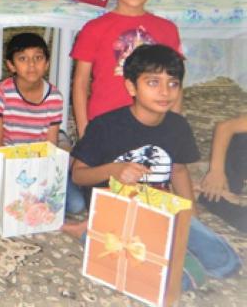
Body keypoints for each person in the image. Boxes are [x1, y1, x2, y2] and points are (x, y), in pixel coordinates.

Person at [71, 45, 241, 288]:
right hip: (118, 210)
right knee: (178, 280)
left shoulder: (177, 126)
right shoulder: (106, 126)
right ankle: (87, 233)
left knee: (226, 263)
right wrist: (114, 170)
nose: (164, 92)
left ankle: (168, 244)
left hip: (160, 207)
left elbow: (179, 170)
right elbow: (78, 175)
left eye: (172, 83)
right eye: (153, 83)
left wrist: (190, 215)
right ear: (131, 86)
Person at [71, 0, 182, 138]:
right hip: (104, 122)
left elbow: (176, 82)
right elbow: (80, 83)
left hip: (153, 123)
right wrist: (84, 131)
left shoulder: (167, 29)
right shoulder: (94, 29)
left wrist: (174, 128)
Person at [0, 32, 86, 215]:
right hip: (11, 159)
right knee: (12, 204)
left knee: (76, 205)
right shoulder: (1, 94)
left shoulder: (54, 97)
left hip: (41, 159)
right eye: (23, 59)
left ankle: (67, 147)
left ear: (46, 64)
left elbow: (50, 144)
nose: (31, 65)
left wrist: (43, 175)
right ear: (11, 65)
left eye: (38, 58)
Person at [198, 114, 247, 232]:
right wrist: (216, 171)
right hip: (238, 154)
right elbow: (225, 127)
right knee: (220, 190)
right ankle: (205, 191)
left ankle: (203, 194)